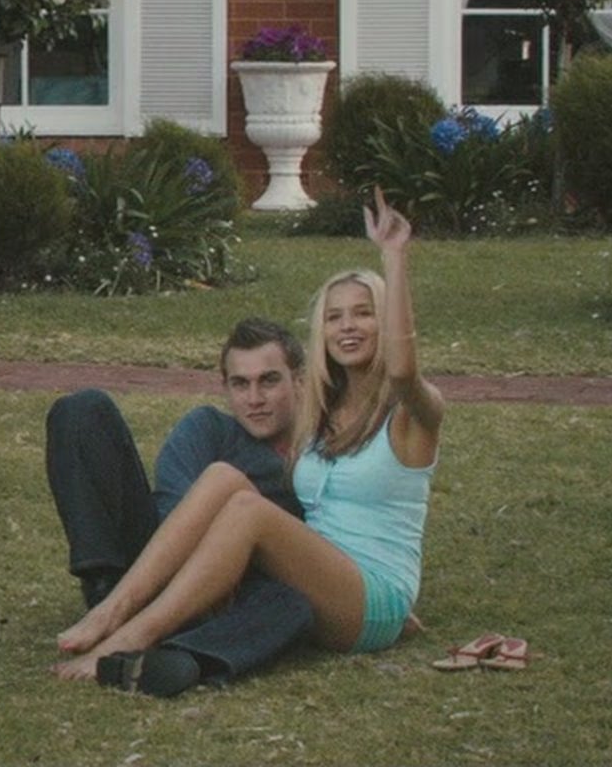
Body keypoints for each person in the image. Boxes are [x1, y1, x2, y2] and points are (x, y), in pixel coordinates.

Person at [52, 189, 442, 681]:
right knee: (223, 476)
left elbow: (403, 372)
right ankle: (112, 608)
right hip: (315, 578)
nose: (348, 326)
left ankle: (129, 638)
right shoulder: (321, 416)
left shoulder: (412, 415)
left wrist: (394, 257)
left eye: (364, 313)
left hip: (371, 594)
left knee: (247, 508)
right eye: (334, 316)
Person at [43, 316, 319, 696]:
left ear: (299, 381)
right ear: (225, 387)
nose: (254, 399)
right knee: (82, 409)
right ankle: (107, 604)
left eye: (268, 381)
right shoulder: (207, 429)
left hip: (243, 594)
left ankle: (170, 657)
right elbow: (175, 520)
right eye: (240, 384)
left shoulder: (320, 460)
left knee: (293, 606)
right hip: (155, 570)